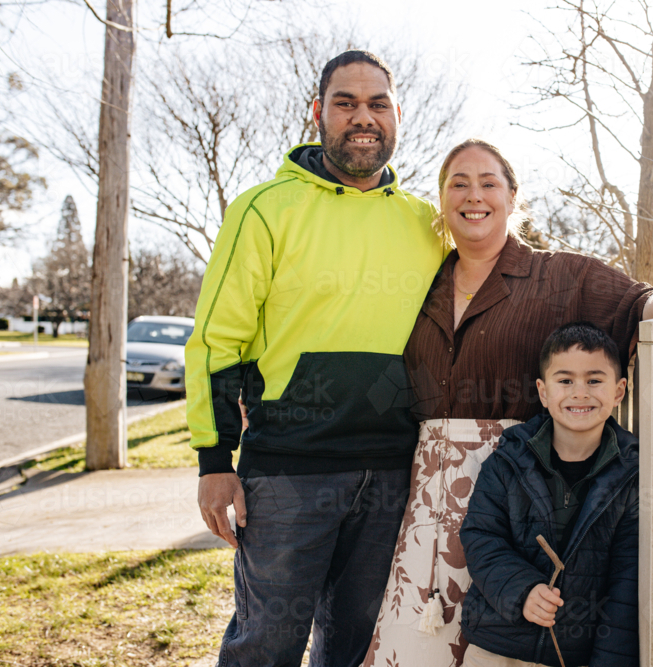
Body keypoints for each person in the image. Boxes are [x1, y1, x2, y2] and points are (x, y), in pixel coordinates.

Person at [362, 138, 653, 665]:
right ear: (441, 201)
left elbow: (634, 301)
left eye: (488, 182)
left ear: (511, 197)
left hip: (515, 494)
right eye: (458, 183)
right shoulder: (423, 280)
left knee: (499, 643)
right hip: (425, 497)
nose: (473, 194)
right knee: (411, 644)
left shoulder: (559, 274)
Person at [185, 50, 446, 667]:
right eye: (346, 102)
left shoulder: (428, 225)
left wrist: (648, 301)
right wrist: (214, 460)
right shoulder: (263, 210)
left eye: (378, 104)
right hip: (286, 476)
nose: (363, 117)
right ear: (318, 113)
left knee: (358, 649)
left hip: (391, 475)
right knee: (266, 647)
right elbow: (217, 343)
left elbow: (520, 270)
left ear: (397, 115)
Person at [460, 321, 639, 666]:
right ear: (543, 392)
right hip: (498, 646)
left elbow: (626, 584)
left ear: (619, 392)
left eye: (595, 380)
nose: (580, 392)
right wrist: (522, 590)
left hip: (574, 654)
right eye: (566, 380)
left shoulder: (630, 477)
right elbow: (481, 537)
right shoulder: (508, 462)